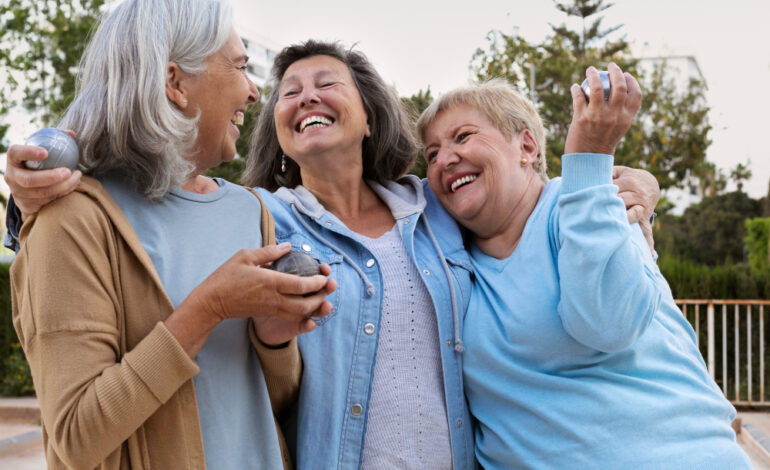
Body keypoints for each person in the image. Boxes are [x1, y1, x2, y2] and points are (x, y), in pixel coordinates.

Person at [6, 40, 660, 468]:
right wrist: (31, 193)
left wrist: (629, 185)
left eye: (326, 83)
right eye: (288, 92)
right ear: (278, 128)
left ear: (369, 116)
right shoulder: (257, 218)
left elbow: (523, 197)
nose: (305, 97)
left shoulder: (434, 205)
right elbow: (150, 206)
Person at [5, 1, 335, 469]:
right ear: (175, 83)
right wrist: (209, 308)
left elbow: (271, 405)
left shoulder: (250, 210)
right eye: (240, 66)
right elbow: (76, 438)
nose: (254, 91)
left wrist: (275, 340)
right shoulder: (72, 220)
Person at [415, 69, 750, 468]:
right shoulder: (443, 254)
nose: (445, 159)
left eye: (463, 136)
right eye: (431, 154)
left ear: (526, 146)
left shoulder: (595, 203)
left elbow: (609, 324)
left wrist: (590, 158)